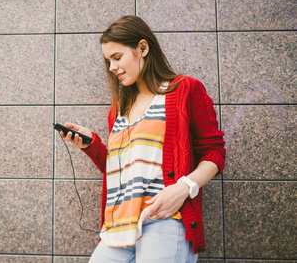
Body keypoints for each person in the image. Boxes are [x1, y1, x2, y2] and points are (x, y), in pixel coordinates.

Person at [60, 15, 226, 262]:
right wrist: (92, 145)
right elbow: (123, 170)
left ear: (143, 48)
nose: (112, 67)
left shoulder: (184, 90)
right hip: (119, 225)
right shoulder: (119, 108)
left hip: (164, 219)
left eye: (117, 58)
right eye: (108, 61)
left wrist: (182, 189)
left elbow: (215, 153)